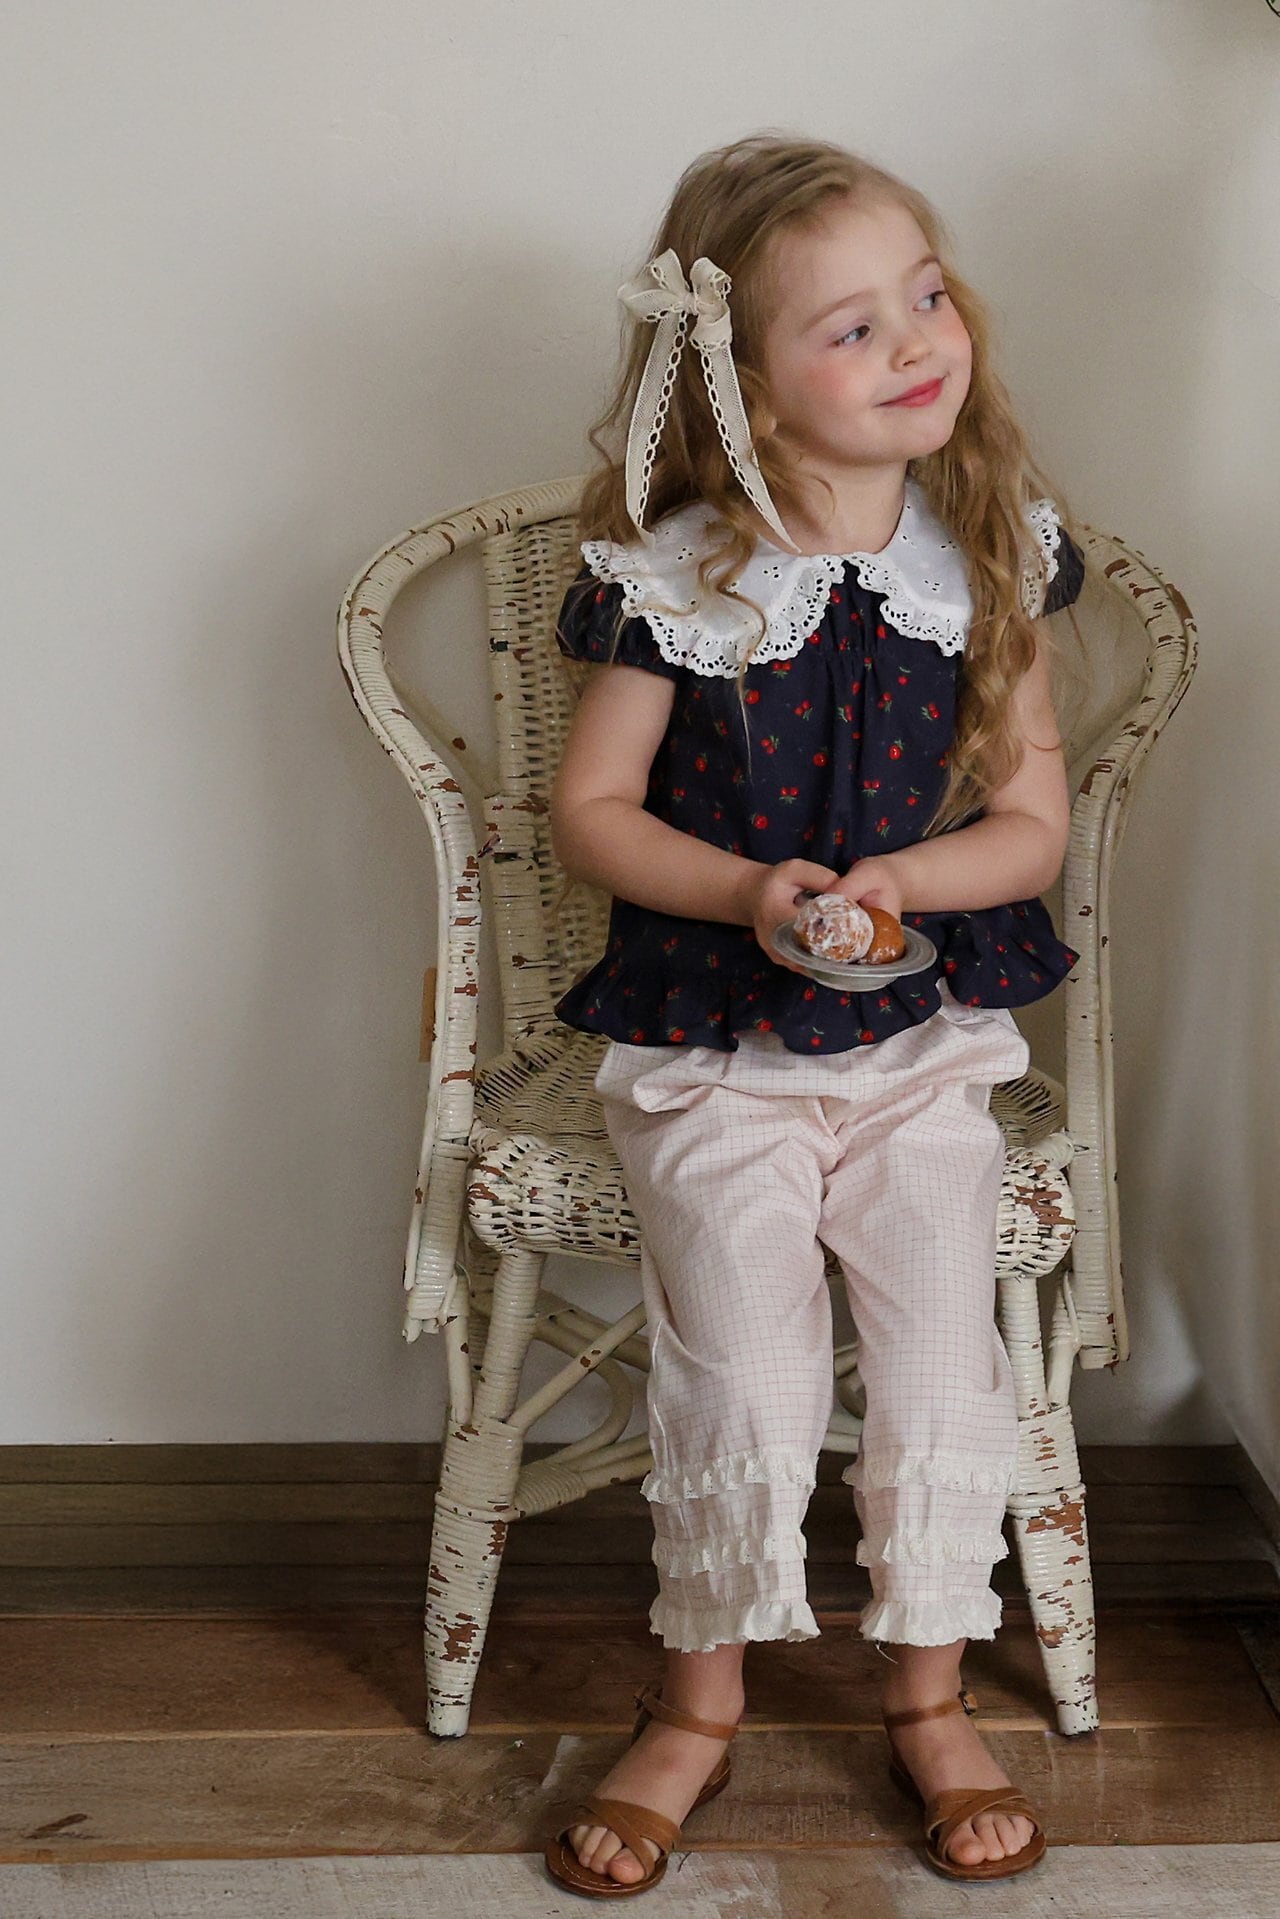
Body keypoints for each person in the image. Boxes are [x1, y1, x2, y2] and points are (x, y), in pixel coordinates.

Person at [542, 132, 1088, 1898]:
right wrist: (750, 894)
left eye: (925, 296)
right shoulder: (676, 576)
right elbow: (592, 812)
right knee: (753, 1374)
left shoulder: (988, 552)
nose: (918, 341)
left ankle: (927, 1695)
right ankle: (695, 1704)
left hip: (920, 1046)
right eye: (852, 327)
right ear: (747, 389)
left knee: (939, 1364)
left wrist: (906, 881)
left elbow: (1032, 825)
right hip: (714, 1051)